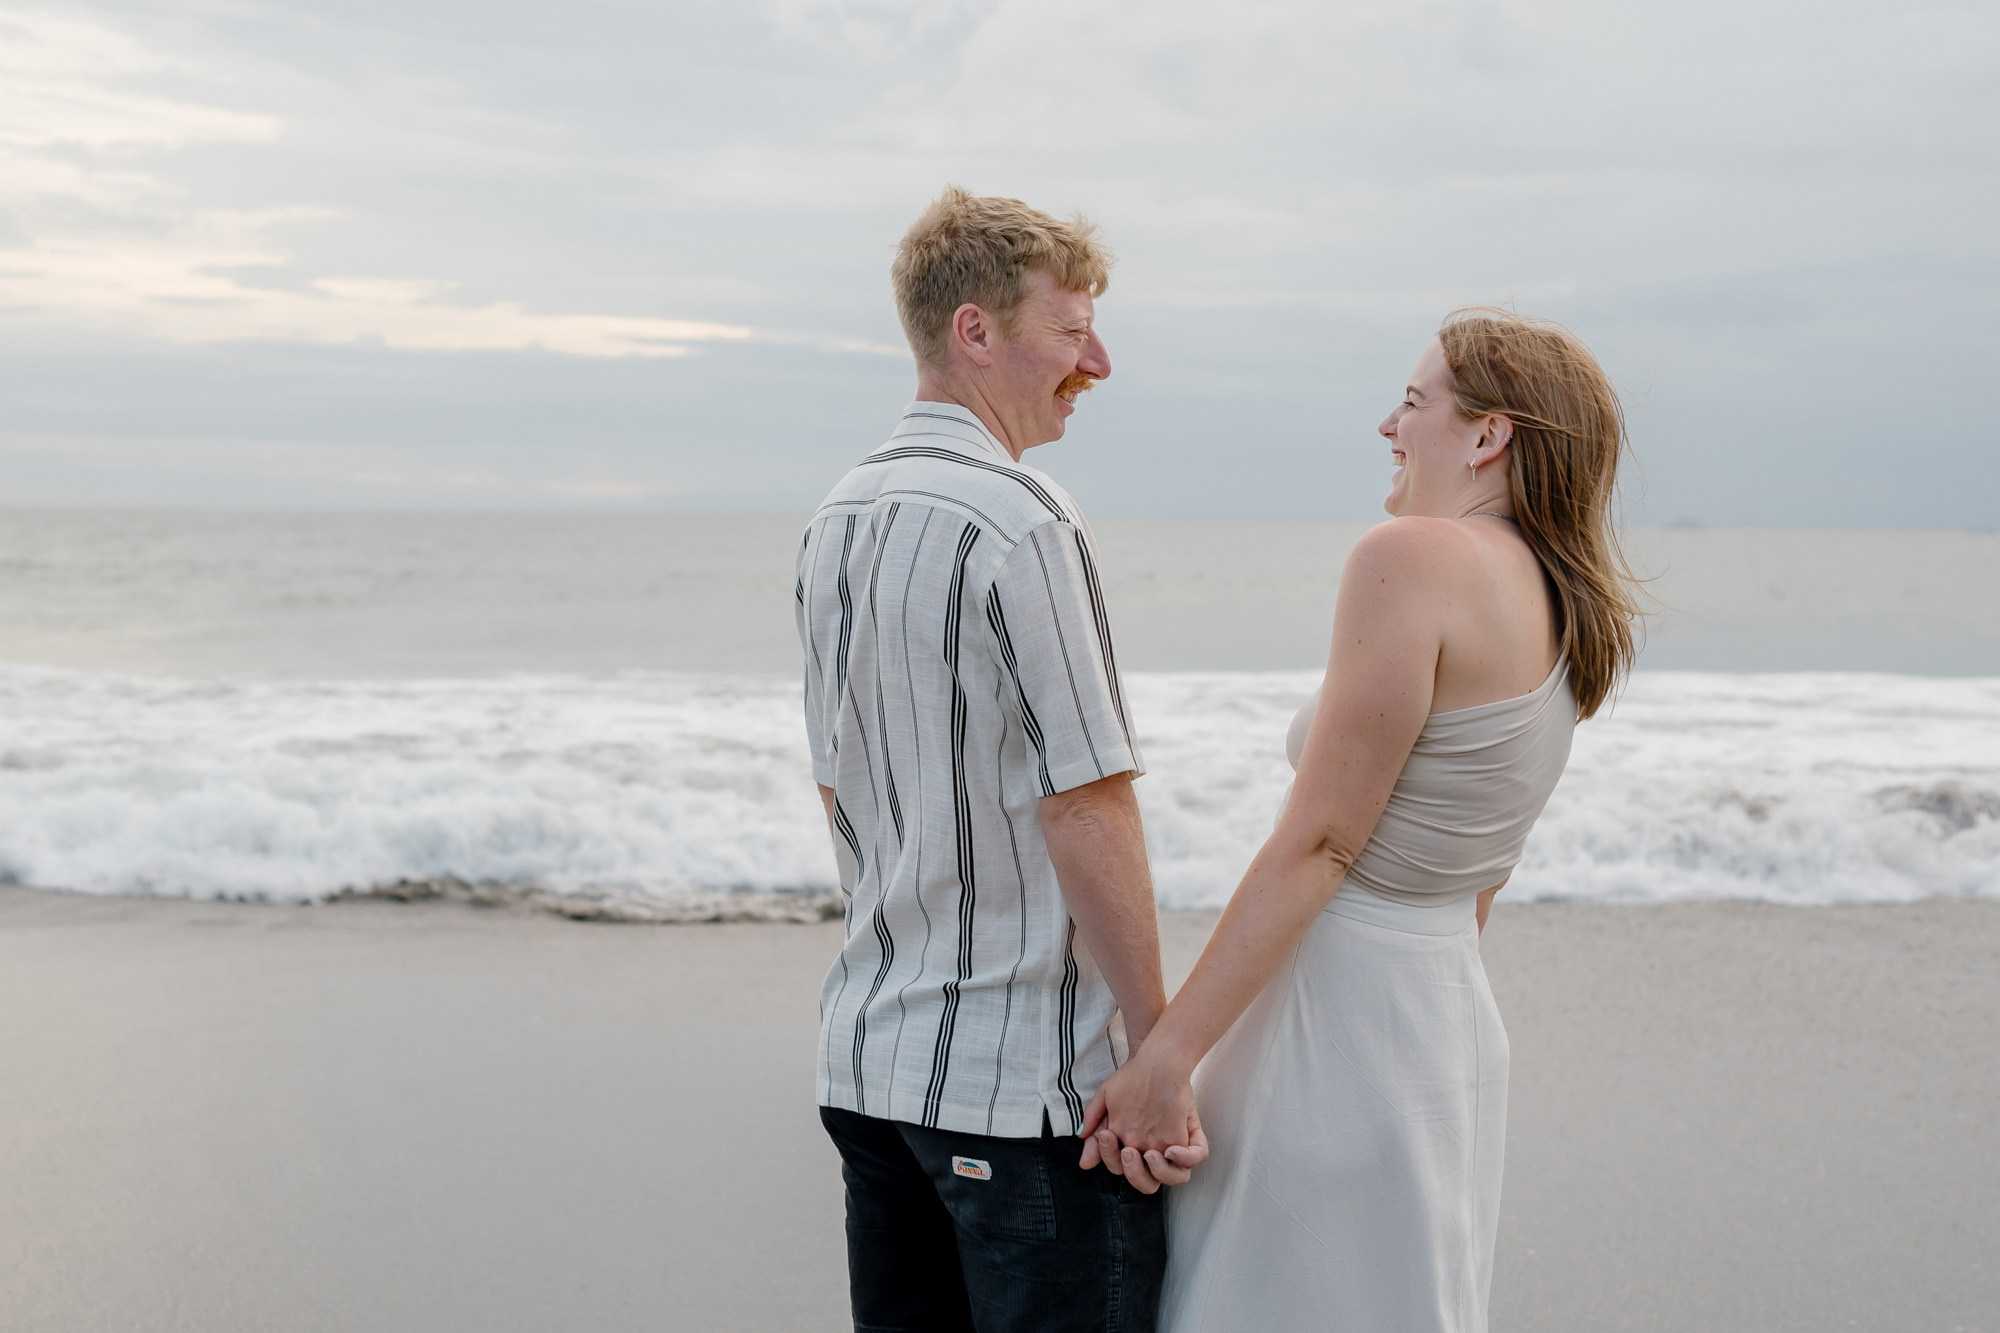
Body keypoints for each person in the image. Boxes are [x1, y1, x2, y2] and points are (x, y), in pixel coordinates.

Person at [1079, 309, 1642, 1332]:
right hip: (1444, 1022)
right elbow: (1479, 876)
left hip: (1328, 1020)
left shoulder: (1413, 556)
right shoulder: (1568, 606)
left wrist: (1165, 1059)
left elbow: (1323, 841)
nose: (1387, 424)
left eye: (1415, 402)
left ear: (1487, 435)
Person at [794, 186, 1206, 1333]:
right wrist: (1153, 1048)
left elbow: (838, 782)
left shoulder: (835, 515)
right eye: (1071, 332)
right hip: (1020, 1091)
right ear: (975, 330)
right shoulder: (1021, 520)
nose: (1099, 362)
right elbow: (1086, 802)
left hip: (871, 1067)